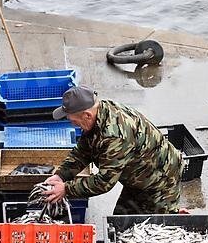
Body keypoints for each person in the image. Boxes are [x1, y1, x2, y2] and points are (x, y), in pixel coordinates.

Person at [43, 85, 184, 215]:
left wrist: (66, 189)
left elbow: (104, 182)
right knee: (121, 223)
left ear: (87, 115)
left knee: (154, 229)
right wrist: (61, 175)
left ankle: (177, 215)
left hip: (159, 181)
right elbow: (82, 152)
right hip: (137, 176)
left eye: (73, 121)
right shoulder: (99, 113)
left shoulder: (115, 135)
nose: (72, 123)